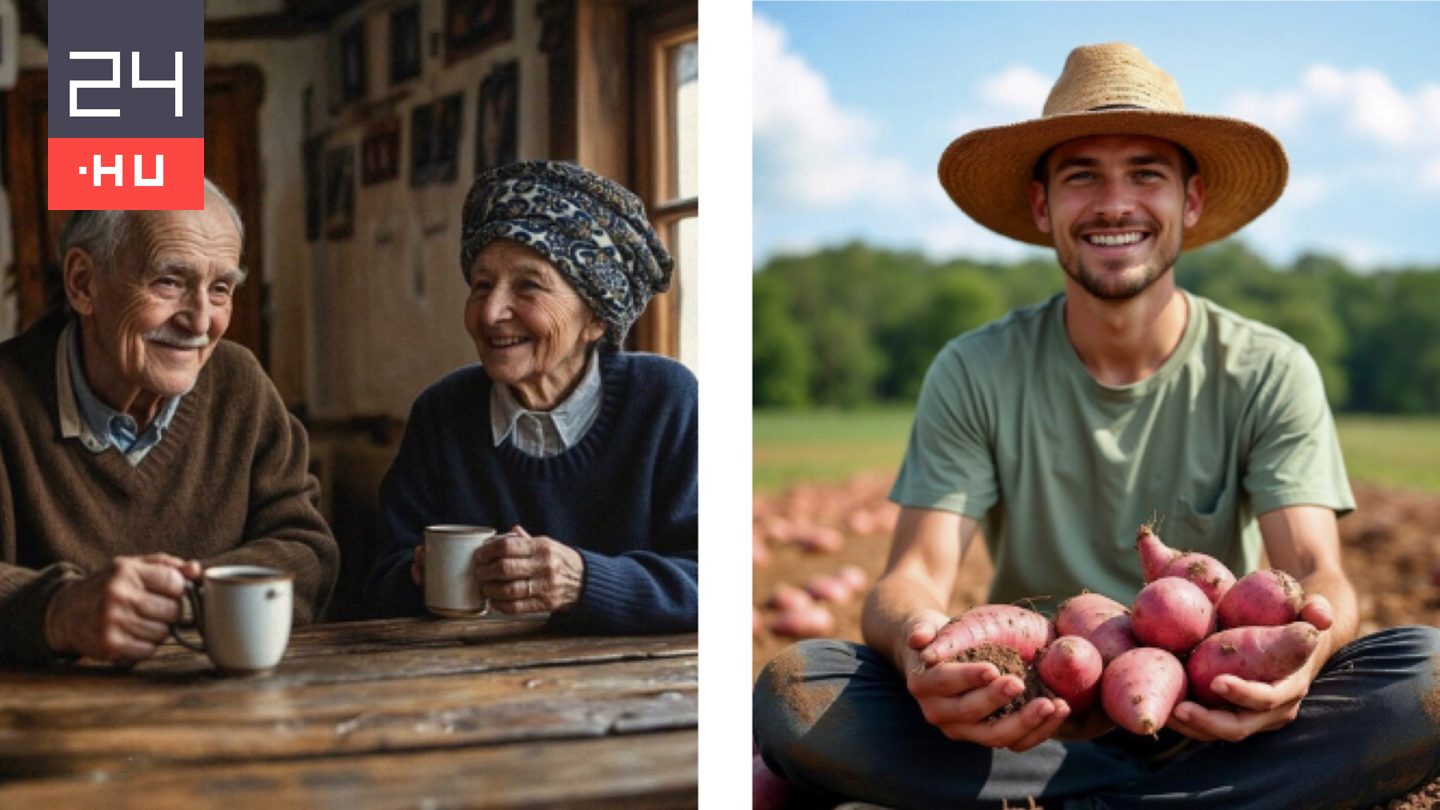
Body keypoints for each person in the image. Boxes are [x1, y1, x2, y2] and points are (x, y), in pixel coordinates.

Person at [753, 43, 1440, 809]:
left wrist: (1302, 660)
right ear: (1045, 206)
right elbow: (912, 574)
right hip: (1032, 725)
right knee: (800, 690)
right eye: (1083, 176)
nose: (1115, 203)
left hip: (1217, 723)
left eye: (1146, 173)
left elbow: (1319, 574)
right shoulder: (975, 368)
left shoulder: (1269, 368)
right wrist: (923, 649)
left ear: (1192, 200)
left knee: (1426, 675)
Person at [0, 180, 339, 666]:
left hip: (215, 705)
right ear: (82, 283)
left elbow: (308, 552)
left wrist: (176, 596)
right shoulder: (8, 398)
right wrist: (60, 609)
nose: (200, 322)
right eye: (169, 282)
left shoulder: (239, 383)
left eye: (220, 289)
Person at [365, 161, 697, 633]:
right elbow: (379, 582)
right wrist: (421, 574)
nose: (492, 311)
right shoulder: (442, 412)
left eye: (528, 285)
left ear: (596, 319)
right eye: (482, 285)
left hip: (639, 687)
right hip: (471, 684)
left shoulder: (667, 401)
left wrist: (582, 580)